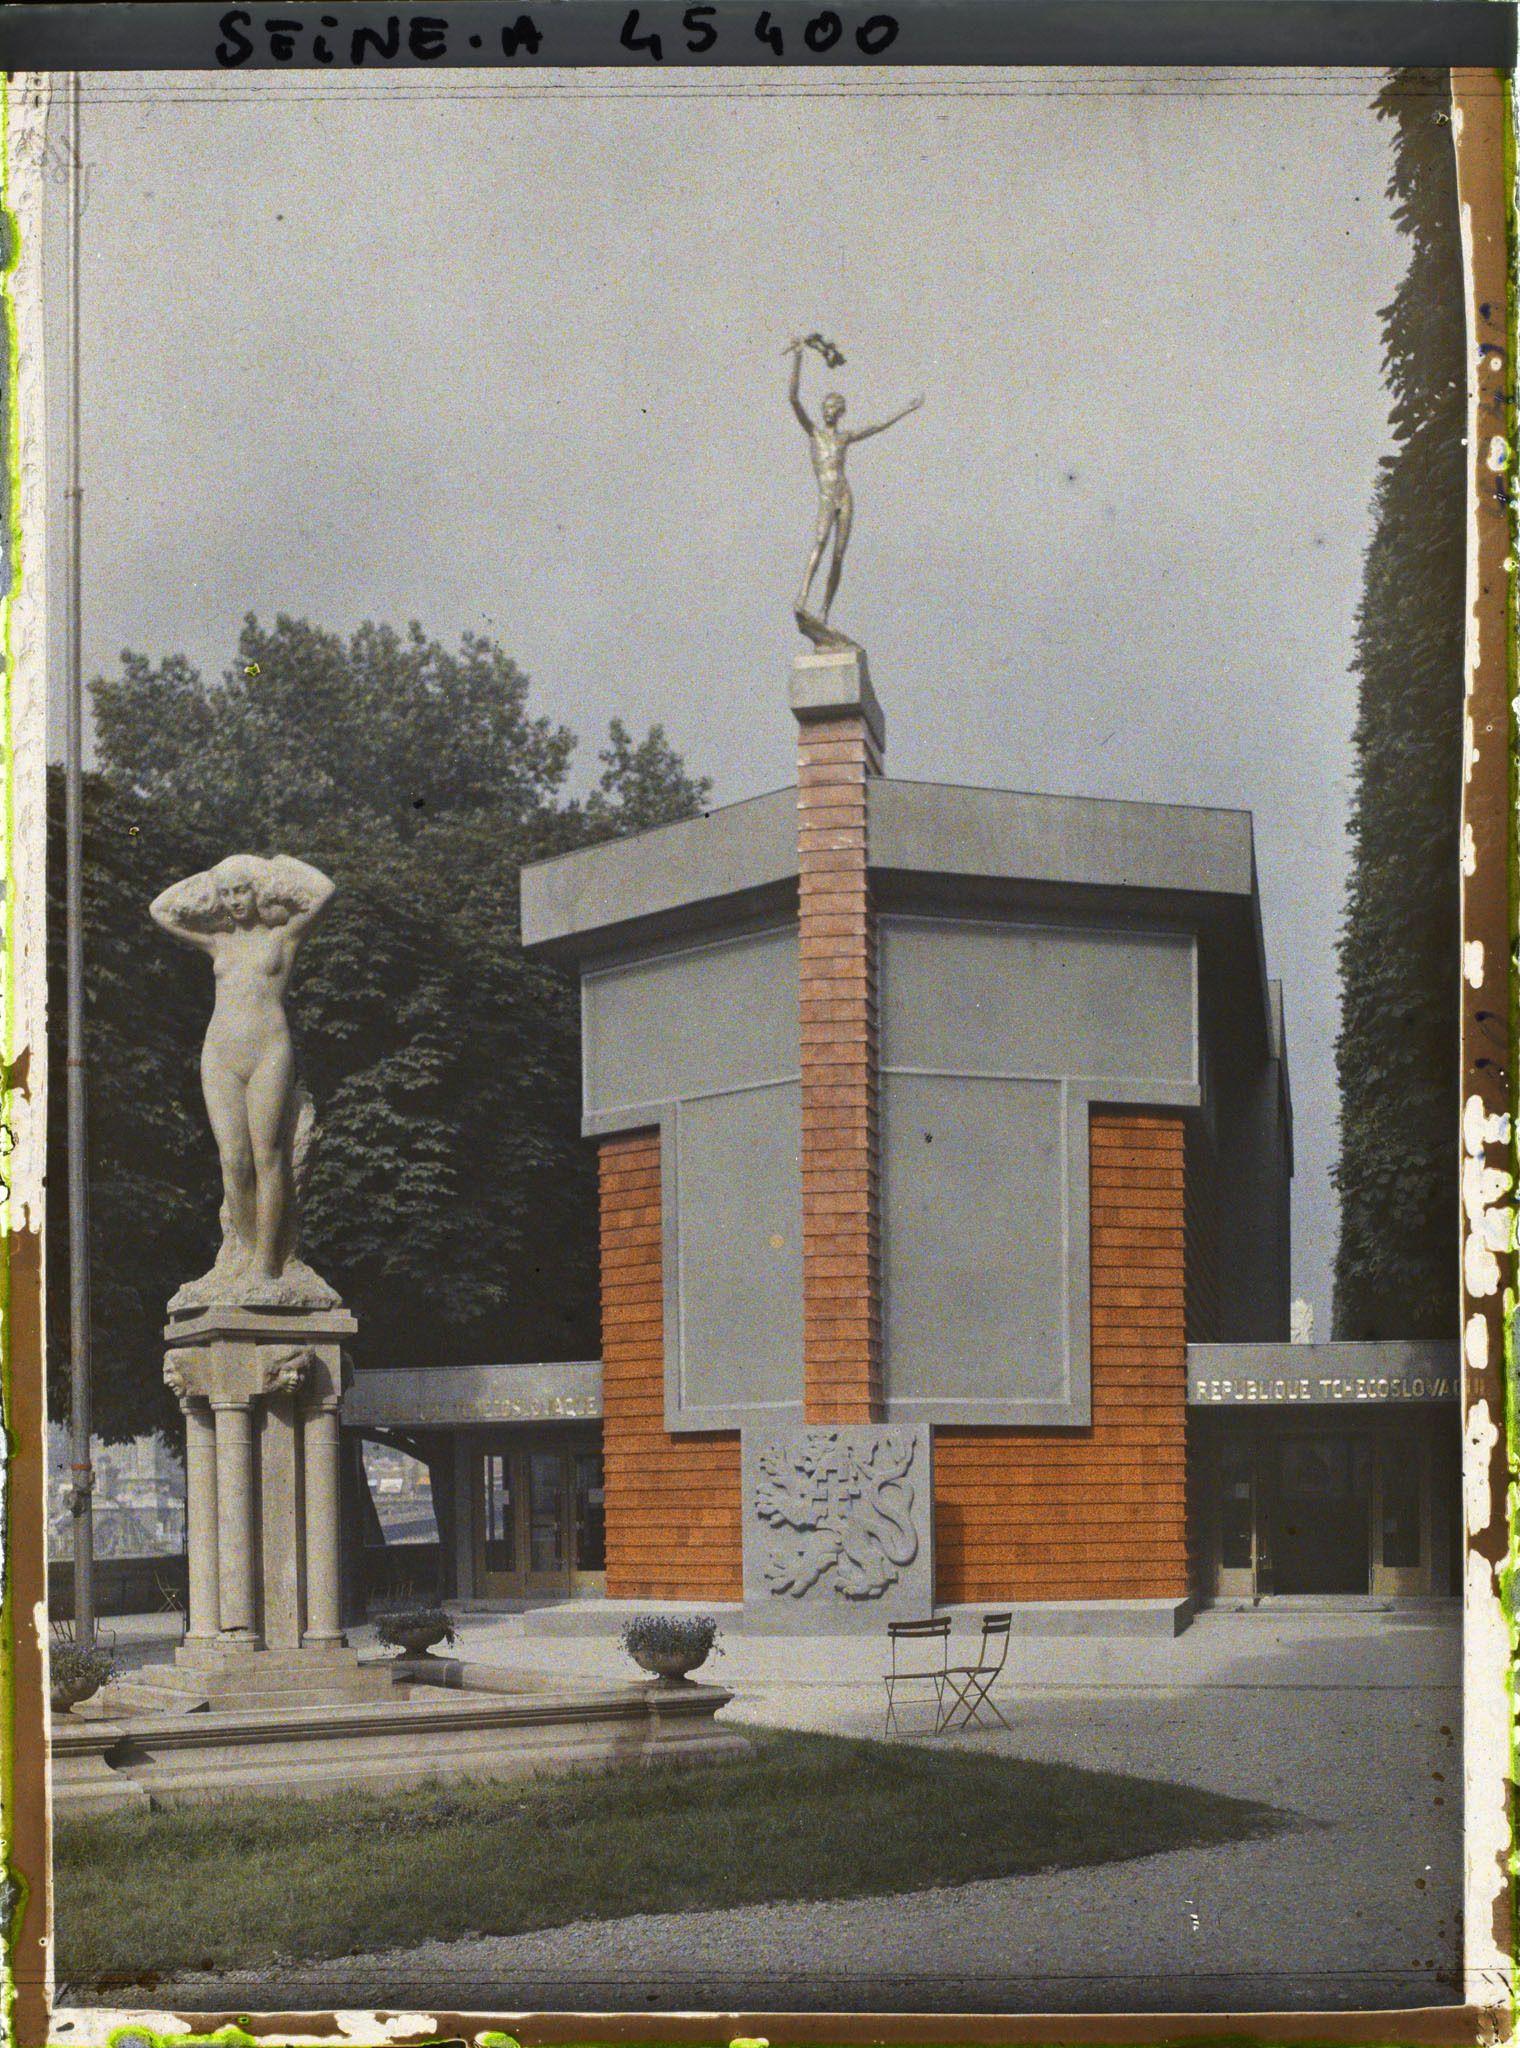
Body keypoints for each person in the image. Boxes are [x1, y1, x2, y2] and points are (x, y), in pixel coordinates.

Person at [150, 852, 335, 1285]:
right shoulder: (218, 941)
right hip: (220, 1054)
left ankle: (268, 1266)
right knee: (233, 1161)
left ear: (258, 891)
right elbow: (160, 909)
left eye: (242, 890)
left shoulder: (283, 937)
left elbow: (325, 891)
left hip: (269, 1050)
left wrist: (274, 865)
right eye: (227, 893)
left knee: (268, 1157)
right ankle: (246, 1256)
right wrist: (213, 876)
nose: (234, 900)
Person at [786, 336, 922, 626]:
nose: (828, 412)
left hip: (844, 496)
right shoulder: (814, 434)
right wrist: (798, 358)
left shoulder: (844, 437)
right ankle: (802, 597)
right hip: (827, 496)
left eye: (833, 408)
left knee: (837, 556)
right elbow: (794, 399)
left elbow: (876, 427)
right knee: (819, 543)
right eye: (825, 407)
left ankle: (823, 611)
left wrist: (906, 410)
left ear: (839, 412)